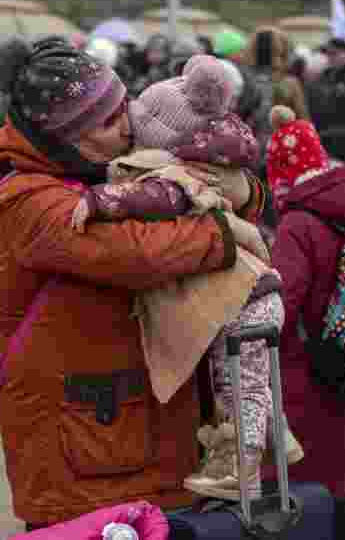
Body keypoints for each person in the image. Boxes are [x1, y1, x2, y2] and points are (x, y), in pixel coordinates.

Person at [0, 38, 267, 528]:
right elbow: (138, 249)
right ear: (64, 136)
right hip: (85, 447)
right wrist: (221, 229)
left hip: (131, 432)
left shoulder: (97, 170)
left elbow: (207, 182)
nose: (130, 124)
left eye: (124, 106)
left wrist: (231, 189)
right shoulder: (27, 202)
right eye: (109, 121)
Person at [69, 54, 297, 501]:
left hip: (241, 298)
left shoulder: (173, 173)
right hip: (250, 293)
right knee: (244, 381)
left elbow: (149, 198)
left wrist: (98, 201)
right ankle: (262, 445)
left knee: (237, 386)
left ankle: (241, 470)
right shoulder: (207, 166)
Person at [266, 104, 345, 540]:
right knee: (338, 481)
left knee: (302, 491)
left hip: (306, 375)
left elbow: (280, 308)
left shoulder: (298, 224)